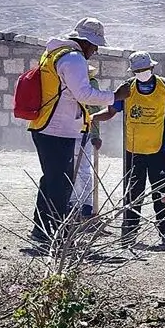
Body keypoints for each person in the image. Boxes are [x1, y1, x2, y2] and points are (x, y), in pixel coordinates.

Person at [28, 18, 123, 250]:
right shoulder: (74, 58)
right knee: (61, 184)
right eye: (95, 46)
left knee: (51, 180)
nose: (95, 51)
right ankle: (57, 235)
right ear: (86, 42)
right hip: (57, 129)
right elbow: (84, 94)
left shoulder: (54, 54)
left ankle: (41, 230)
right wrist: (115, 96)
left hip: (46, 126)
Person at [93, 51, 165, 249]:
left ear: (152, 67)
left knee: (161, 194)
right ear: (132, 72)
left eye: (144, 69)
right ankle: (129, 236)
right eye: (137, 70)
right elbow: (111, 111)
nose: (142, 73)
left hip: (159, 151)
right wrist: (92, 118)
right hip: (133, 152)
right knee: (132, 195)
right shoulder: (127, 88)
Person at [67, 64, 103, 220]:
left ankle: (86, 204)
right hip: (68, 131)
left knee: (83, 168)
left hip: (84, 131)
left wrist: (95, 134)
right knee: (71, 168)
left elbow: (94, 111)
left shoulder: (91, 85)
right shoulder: (67, 85)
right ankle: (73, 203)